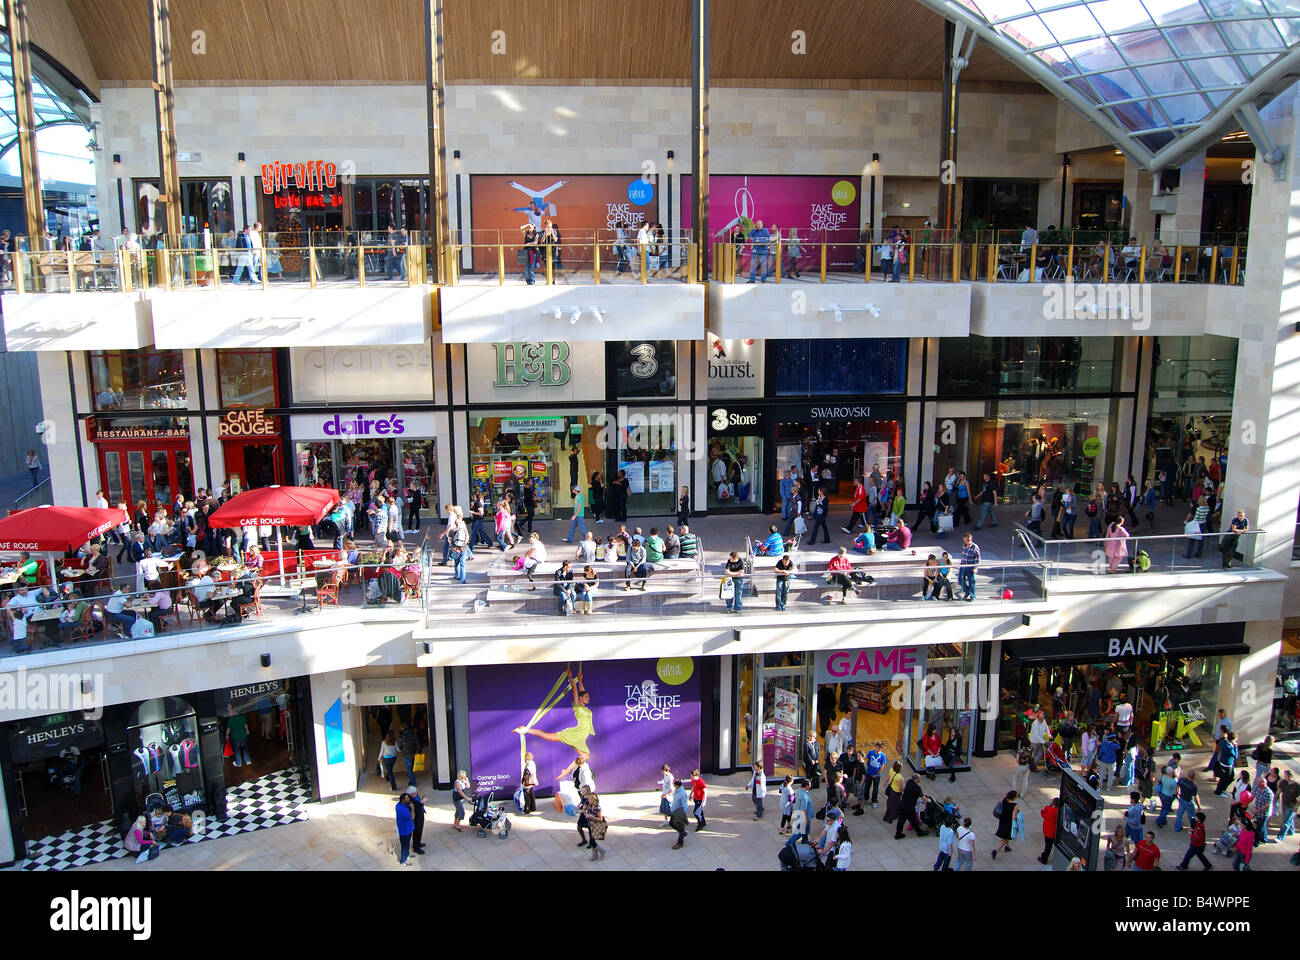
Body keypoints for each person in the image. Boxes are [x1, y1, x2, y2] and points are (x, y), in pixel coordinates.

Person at [895, 773, 928, 840]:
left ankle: (898, 834)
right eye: (919, 778)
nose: (920, 779)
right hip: (910, 807)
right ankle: (920, 833)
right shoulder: (917, 787)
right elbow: (923, 797)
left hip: (903, 804)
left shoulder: (909, 782)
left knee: (901, 821)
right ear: (916, 779)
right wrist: (926, 801)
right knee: (913, 821)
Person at [992, 790, 1017, 858]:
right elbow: (1014, 817)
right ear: (1014, 797)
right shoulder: (1015, 805)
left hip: (1002, 820)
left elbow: (1001, 801)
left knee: (1006, 836)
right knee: (1005, 838)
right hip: (1009, 823)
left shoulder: (1003, 801)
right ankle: (995, 851)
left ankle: (1007, 847)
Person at [958, 533, 979, 601]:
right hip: (963, 565)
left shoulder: (975, 547)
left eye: (965, 540)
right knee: (960, 580)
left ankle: (972, 596)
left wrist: (975, 568)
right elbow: (963, 556)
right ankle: (967, 591)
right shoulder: (964, 546)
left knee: (971, 581)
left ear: (969, 540)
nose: (964, 541)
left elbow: (977, 559)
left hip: (970, 567)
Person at [669, 778, 690, 849]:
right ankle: (683, 833)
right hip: (674, 811)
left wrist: (683, 815)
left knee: (681, 828)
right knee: (671, 823)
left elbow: (685, 804)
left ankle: (680, 843)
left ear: (676, 785)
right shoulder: (677, 790)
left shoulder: (682, 793)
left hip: (679, 813)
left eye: (674, 784)